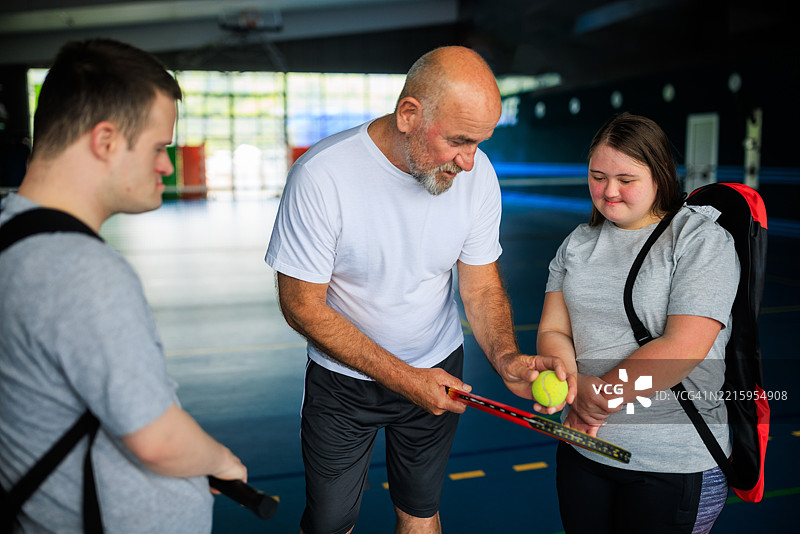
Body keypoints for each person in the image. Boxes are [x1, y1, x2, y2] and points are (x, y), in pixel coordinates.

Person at [265, 45, 574, 534]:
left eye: (479, 143)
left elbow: (480, 287)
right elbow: (302, 306)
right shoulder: (322, 177)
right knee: (328, 523)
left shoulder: (478, 176)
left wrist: (507, 357)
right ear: (409, 113)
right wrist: (405, 378)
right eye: (459, 141)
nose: (469, 162)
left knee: (421, 513)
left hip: (438, 368)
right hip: (344, 383)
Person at [0, 38, 247, 533]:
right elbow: (155, 438)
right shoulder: (82, 270)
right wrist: (218, 461)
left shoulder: (10, 232)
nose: (166, 166)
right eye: (158, 147)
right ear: (106, 140)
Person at [536, 112, 739, 533]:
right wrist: (572, 386)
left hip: (673, 462)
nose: (608, 192)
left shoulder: (700, 240)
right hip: (584, 451)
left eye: (626, 179)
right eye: (597, 176)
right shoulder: (577, 243)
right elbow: (554, 331)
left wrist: (600, 395)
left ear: (660, 175)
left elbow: (684, 347)